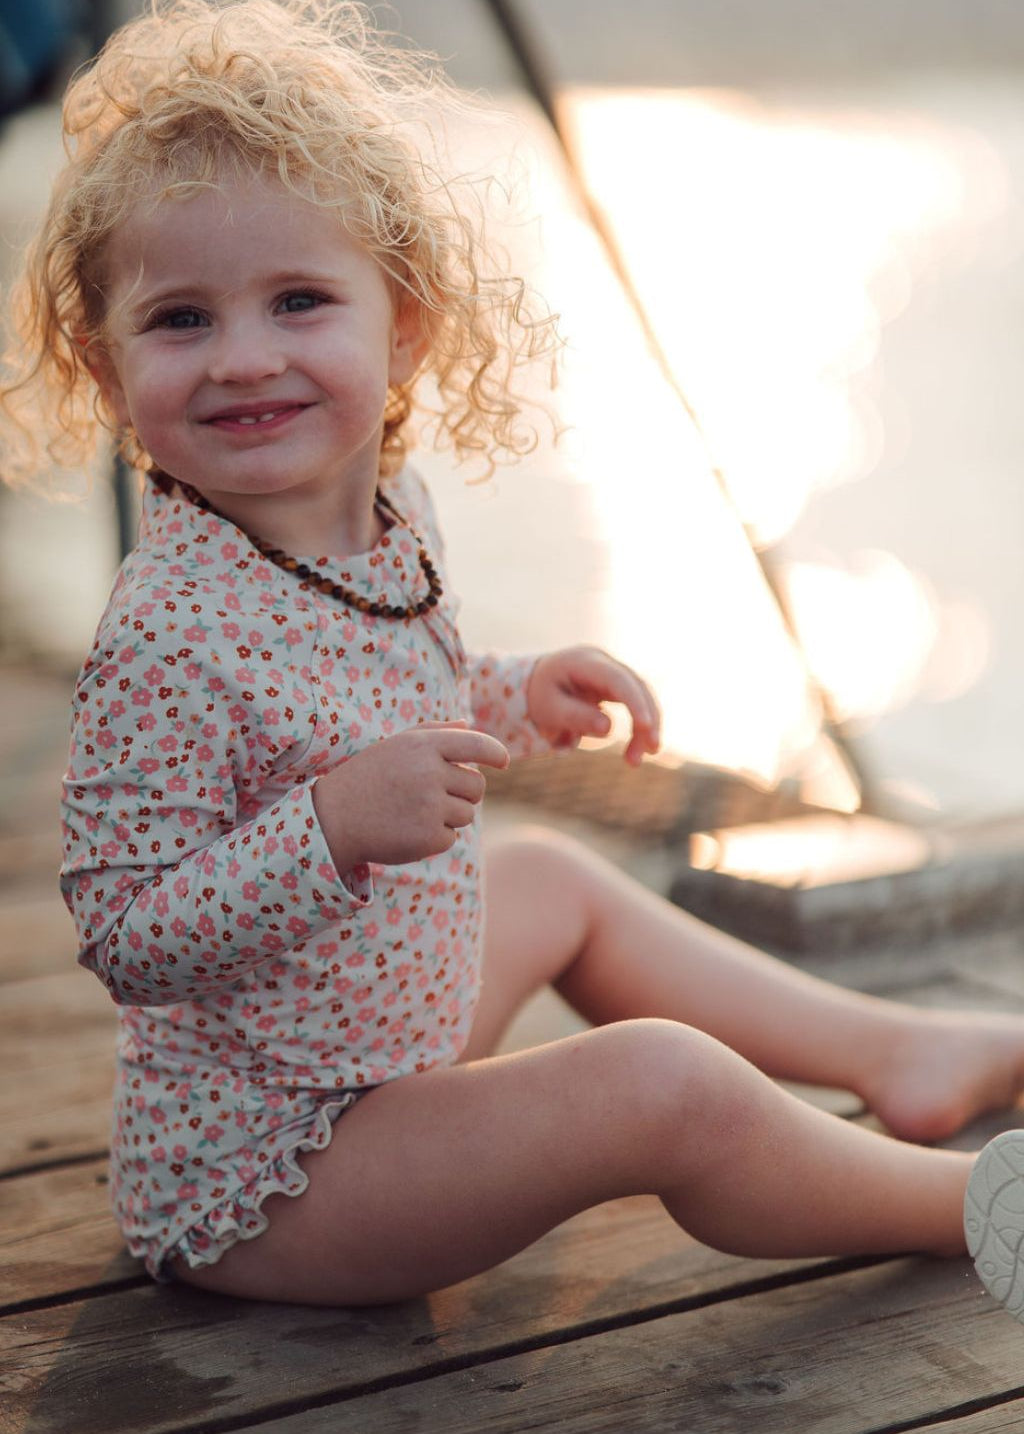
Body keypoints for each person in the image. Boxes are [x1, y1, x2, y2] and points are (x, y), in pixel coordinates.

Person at [4, 0, 1024, 1313]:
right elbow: (128, 929)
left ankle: (906, 1051)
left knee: (551, 872)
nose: (244, 356)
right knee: (658, 1083)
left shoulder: (385, 516)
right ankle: (966, 1203)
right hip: (272, 1175)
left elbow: (362, 687)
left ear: (406, 322)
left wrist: (511, 691)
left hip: (384, 1049)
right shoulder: (162, 632)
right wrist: (329, 825)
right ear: (104, 359)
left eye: (300, 300)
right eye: (180, 320)